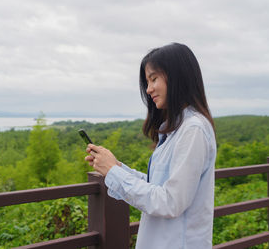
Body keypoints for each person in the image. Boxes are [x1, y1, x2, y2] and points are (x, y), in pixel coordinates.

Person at [85, 43, 217, 249]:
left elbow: (170, 201)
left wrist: (114, 172)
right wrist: (116, 168)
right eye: (147, 82)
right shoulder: (177, 129)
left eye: (154, 79)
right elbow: (157, 186)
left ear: (177, 77)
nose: (148, 89)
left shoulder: (193, 129)